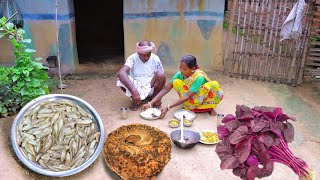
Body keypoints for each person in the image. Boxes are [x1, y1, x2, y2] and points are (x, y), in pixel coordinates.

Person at [142, 55, 223, 117]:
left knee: (214, 85)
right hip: (192, 95)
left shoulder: (199, 78)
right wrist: (150, 103)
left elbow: (187, 96)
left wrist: (168, 107)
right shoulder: (180, 74)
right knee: (176, 82)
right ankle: (190, 105)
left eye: (184, 69)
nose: (181, 70)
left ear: (193, 69)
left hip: (202, 96)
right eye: (180, 67)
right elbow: (166, 89)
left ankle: (209, 107)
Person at [117, 40, 166, 111]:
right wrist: (134, 91)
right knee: (120, 79)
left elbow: (162, 79)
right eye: (144, 55)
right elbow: (121, 72)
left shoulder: (155, 58)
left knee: (161, 74)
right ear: (138, 53)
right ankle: (136, 100)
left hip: (150, 86)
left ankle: (154, 99)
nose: (146, 58)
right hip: (136, 87)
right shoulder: (132, 58)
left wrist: (159, 97)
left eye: (148, 55)